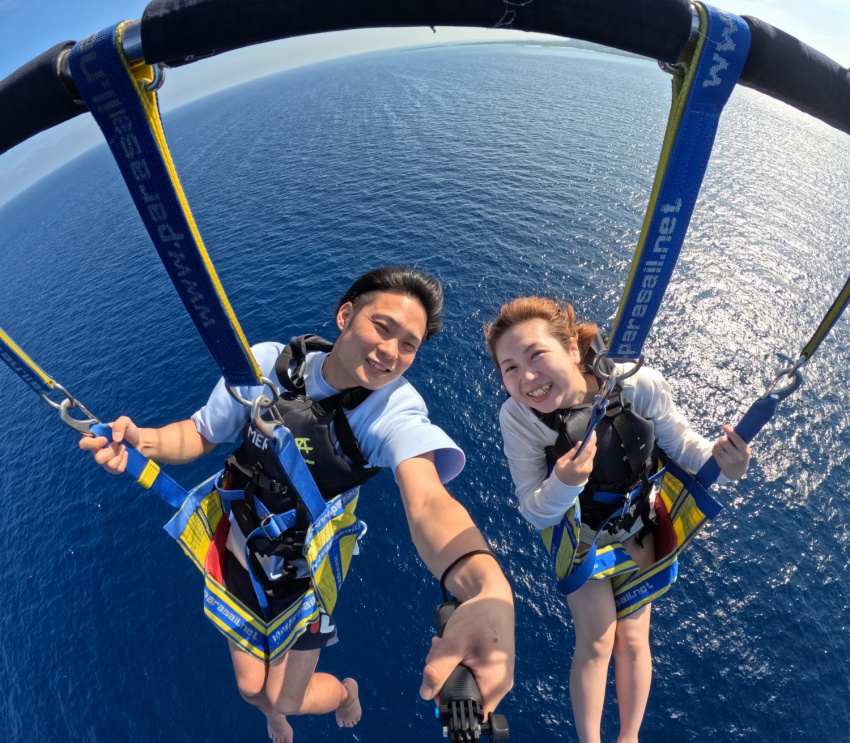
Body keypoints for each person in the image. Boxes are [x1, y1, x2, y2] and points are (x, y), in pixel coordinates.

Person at [80, 267, 514, 743]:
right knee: (252, 690)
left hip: (306, 567)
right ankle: (271, 711)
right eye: (382, 327)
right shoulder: (266, 365)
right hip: (241, 543)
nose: (390, 352)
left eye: (408, 345)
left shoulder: (392, 410)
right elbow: (201, 433)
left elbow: (429, 501)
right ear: (346, 315)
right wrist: (142, 441)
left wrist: (487, 586)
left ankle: (345, 694)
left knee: (286, 696)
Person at [483, 296, 750, 743]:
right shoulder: (518, 417)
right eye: (509, 368)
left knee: (632, 637)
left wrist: (728, 464)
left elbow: (686, 449)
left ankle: (629, 738)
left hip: (638, 523)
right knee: (596, 639)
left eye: (536, 355)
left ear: (572, 349)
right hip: (580, 533)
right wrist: (566, 482)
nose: (527, 378)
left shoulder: (637, 384)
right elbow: (533, 508)